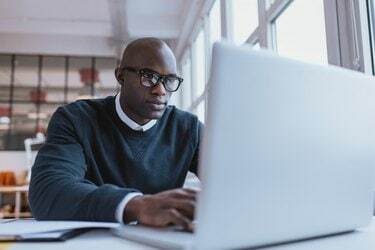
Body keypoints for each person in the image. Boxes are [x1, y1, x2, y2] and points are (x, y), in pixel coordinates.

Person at [29, 37, 203, 231]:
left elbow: (233, 182)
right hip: (93, 241)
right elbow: (47, 192)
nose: (160, 90)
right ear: (121, 76)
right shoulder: (76, 120)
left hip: (161, 242)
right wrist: (136, 205)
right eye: (149, 77)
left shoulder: (188, 129)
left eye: (169, 80)